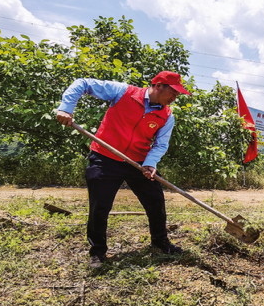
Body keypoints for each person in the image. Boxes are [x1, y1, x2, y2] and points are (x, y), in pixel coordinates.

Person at [56, 71, 190, 269]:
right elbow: (82, 83)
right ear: (159, 85)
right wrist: (66, 108)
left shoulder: (167, 115)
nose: (174, 98)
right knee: (99, 207)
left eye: (177, 95)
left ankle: (160, 242)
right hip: (105, 158)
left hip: (138, 163)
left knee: (156, 202)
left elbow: (160, 145)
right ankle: (98, 252)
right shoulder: (123, 92)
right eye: (173, 92)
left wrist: (150, 164)